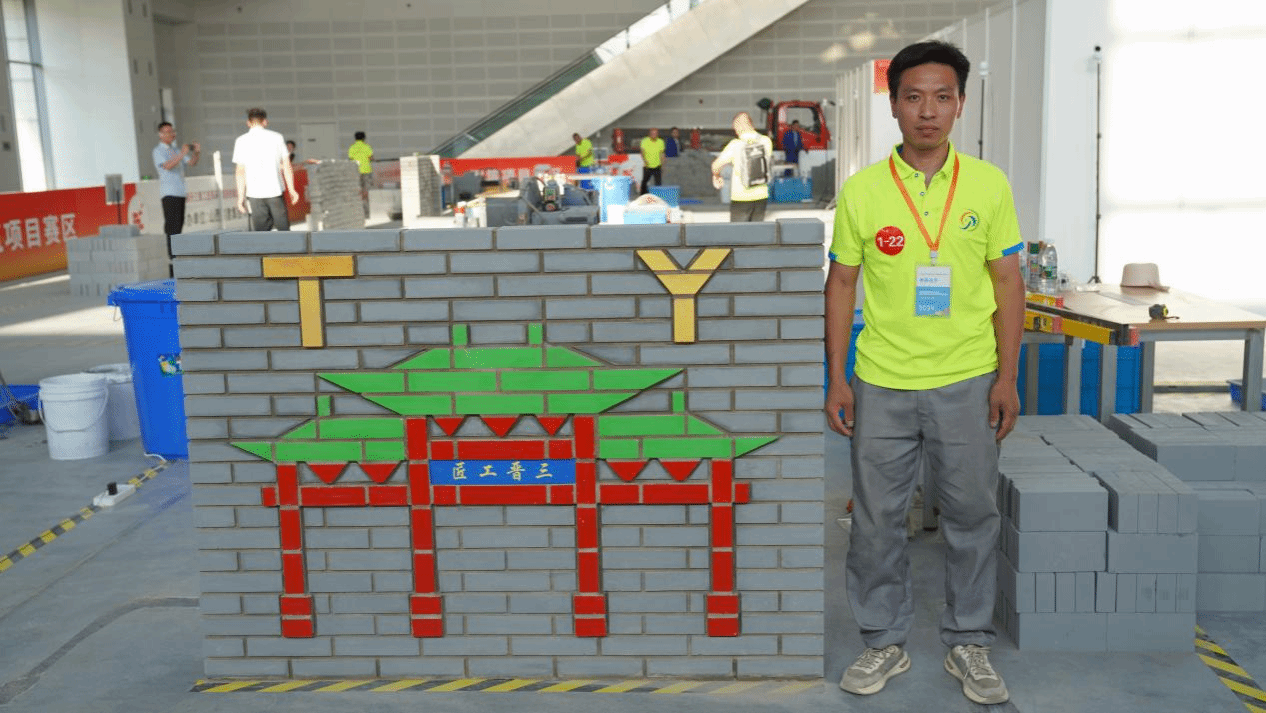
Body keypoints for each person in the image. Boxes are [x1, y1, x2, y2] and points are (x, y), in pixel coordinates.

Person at [824, 40, 1024, 706]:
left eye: (942, 97)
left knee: (973, 516)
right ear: (894, 106)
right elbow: (841, 284)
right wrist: (838, 377)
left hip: (968, 378)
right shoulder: (863, 191)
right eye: (913, 97)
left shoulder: (989, 185)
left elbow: (1008, 283)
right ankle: (884, 639)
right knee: (876, 521)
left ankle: (969, 640)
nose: (928, 111)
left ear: (961, 104)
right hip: (882, 380)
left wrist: (1007, 377)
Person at [232, 107, 299, 231]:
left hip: (254, 193)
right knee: (284, 232)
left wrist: (240, 197)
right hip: (275, 191)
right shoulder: (277, 137)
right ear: (265, 122)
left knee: (261, 235)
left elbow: (240, 172)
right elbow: (287, 165)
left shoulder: (241, 141)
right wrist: (292, 189)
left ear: (248, 123)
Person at [710, 112, 773, 222]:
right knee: (757, 230)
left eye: (735, 128)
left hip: (741, 197)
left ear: (739, 126)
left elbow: (716, 165)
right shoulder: (766, 141)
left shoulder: (735, 145)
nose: (736, 132)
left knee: (738, 231)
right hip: (761, 195)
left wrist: (717, 176)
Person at [152, 122, 199, 267]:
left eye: (173, 131)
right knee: (171, 226)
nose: (172, 134)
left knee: (179, 225)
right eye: (168, 132)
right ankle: (171, 258)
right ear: (160, 135)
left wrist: (196, 152)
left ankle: (177, 255)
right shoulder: (158, 151)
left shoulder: (175, 150)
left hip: (180, 192)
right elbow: (167, 166)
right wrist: (182, 153)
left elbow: (191, 163)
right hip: (169, 193)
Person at [348, 131, 374, 217]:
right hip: (366, 171)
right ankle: (367, 211)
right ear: (364, 138)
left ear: (355, 138)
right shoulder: (367, 146)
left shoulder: (352, 148)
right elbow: (371, 158)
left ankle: (358, 211)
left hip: (356, 172)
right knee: (366, 191)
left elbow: (350, 159)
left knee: (357, 191)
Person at [639, 127, 665, 195]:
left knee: (658, 182)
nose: (654, 135)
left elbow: (662, 154)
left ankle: (658, 196)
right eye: (652, 133)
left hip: (657, 165)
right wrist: (645, 161)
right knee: (644, 181)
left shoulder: (661, 141)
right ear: (649, 134)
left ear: (657, 134)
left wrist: (662, 164)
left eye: (655, 133)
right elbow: (642, 152)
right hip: (647, 165)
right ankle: (642, 195)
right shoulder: (644, 141)